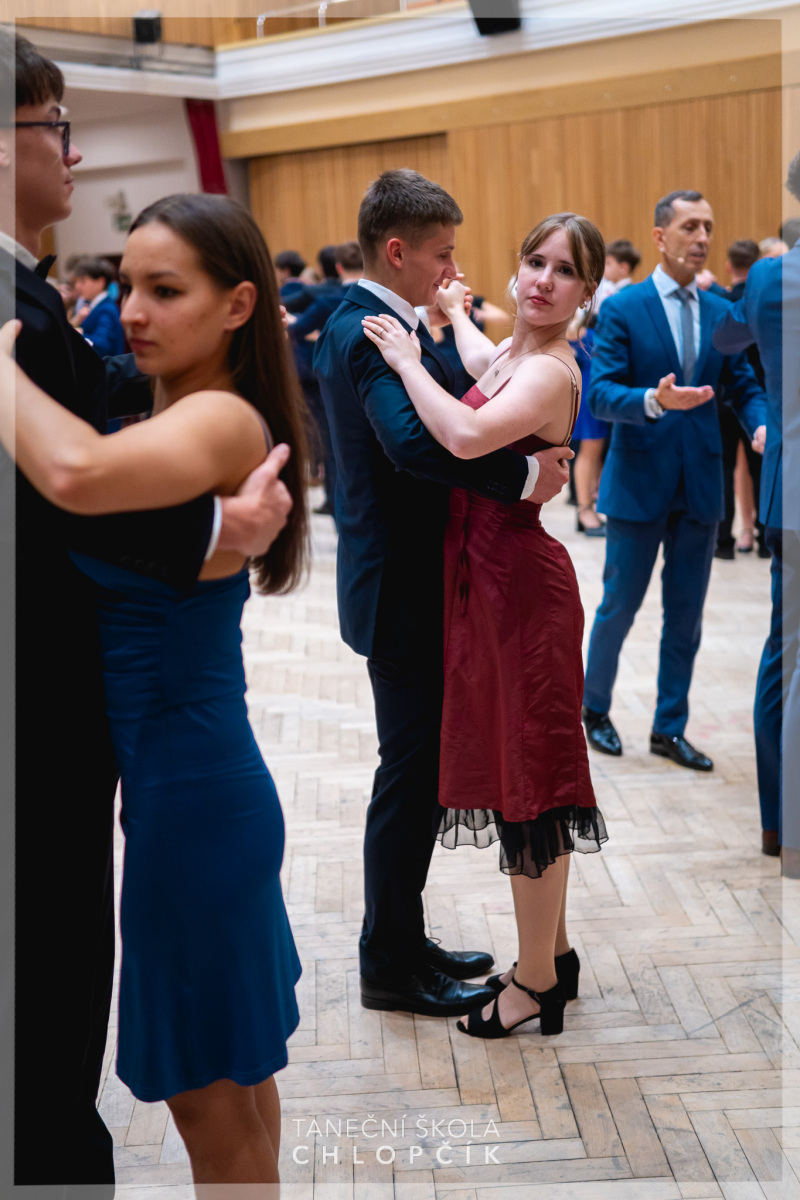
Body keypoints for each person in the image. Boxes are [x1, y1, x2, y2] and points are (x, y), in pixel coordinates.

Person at [1, 33, 294, 1190]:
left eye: (164, 292)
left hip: (187, 803)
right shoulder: (168, 409)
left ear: (235, 305)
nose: (130, 312)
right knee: (233, 1093)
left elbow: (72, 478)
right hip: (183, 790)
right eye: (125, 286)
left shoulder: (217, 418)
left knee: (213, 1109)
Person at [313, 168, 571, 1019]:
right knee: (409, 779)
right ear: (398, 251)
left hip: (410, 580)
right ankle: (388, 963)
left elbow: (456, 393)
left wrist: (454, 324)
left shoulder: (378, 319)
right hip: (401, 587)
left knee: (417, 774)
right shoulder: (366, 331)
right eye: (443, 254)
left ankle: (403, 938)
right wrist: (522, 476)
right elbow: (414, 448)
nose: (452, 269)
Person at [362, 211, 607, 1038]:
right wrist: (452, 315)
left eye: (564, 270)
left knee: (532, 781)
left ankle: (534, 983)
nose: (543, 280)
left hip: (521, 594)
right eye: (535, 261)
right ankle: (554, 956)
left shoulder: (550, 371)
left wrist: (406, 359)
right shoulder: (514, 353)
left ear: (586, 289)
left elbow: (466, 434)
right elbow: (477, 363)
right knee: (521, 773)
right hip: (489, 585)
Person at [581, 189, 767, 771]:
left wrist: (760, 425)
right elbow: (600, 393)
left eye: (708, 226)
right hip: (638, 482)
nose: (703, 237)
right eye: (690, 226)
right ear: (660, 237)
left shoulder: (720, 311)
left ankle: (669, 728)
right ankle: (594, 708)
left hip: (701, 485)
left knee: (685, 618)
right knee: (619, 606)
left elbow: (743, 385)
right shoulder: (624, 307)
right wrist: (653, 400)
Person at [713, 151, 800, 862]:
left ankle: (779, 824)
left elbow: (726, 340)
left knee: (784, 657)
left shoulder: (769, 276)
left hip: (788, 495)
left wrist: (768, 405)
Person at [700, 239, 768, 560]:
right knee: (761, 468)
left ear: (729, 266)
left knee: (725, 467)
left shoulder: (721, 303)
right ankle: (765, 540)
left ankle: (724, 542)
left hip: (723, 398)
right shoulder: (764, 302)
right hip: (759, 397)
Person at [568, 312, 607, 535]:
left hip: (599, 388)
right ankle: (584, 509)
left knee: (596, 451)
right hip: (589, 391)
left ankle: (591, 507)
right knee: (589, 450)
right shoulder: (582, 331)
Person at [71, 254, 126, 355]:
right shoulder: (90, 304)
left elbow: (102, 344)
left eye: (82, 281)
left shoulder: (107, 309)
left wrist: (78, 333)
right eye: (77, 281)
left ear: (101, 282)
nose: (77, 286)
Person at [591, 238, 641, 310]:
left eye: (608, 263)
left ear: (623, 268)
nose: (603, 267)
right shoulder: (614, 292)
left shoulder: (626, 296)